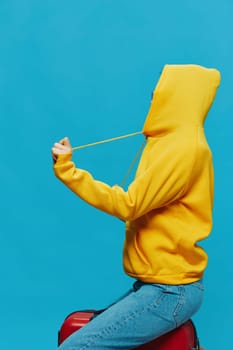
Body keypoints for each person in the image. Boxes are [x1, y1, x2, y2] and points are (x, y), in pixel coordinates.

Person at [52, 64, 221, 350]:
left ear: (178, 97)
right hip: (156, 285)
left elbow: (129, 205)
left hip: (169, 291)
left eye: (160, 94)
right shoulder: (169, 143)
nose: (155, 100)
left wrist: (69, 171)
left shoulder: (183, 149)